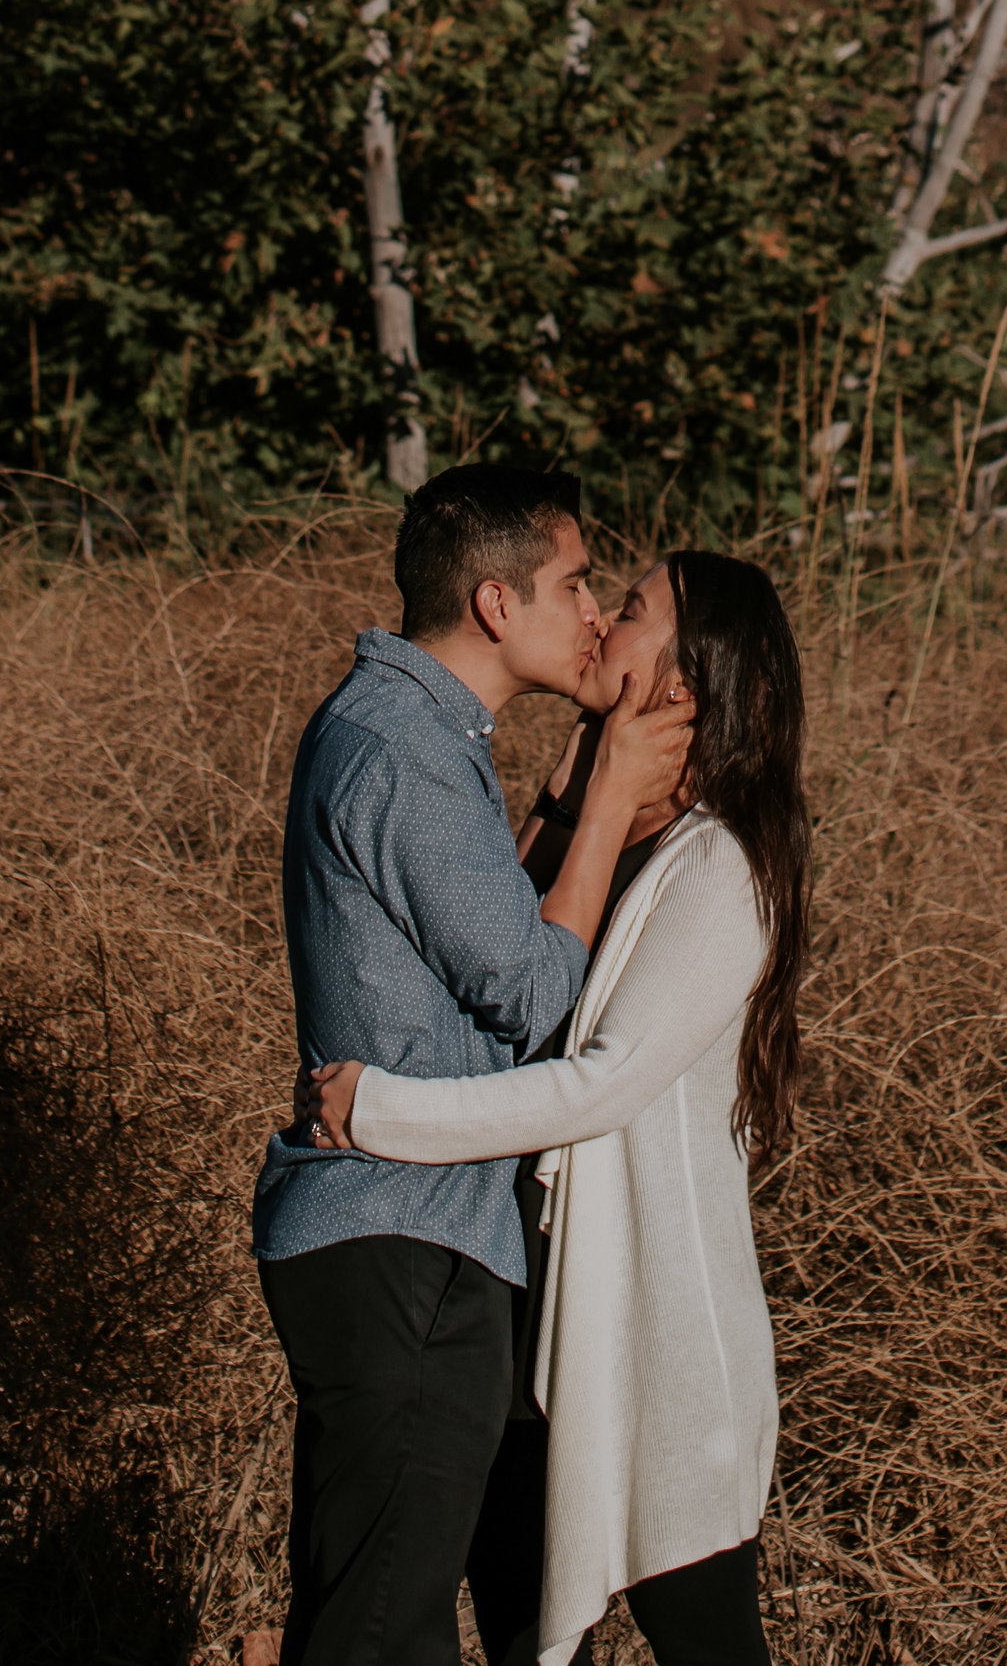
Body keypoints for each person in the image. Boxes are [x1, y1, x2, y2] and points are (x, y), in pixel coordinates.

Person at [304, 552, 811, 1666]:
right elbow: (511, 989)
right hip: (538, 1330)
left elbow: (598, 1085)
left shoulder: (719, 867)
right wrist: (589, 786)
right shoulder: (610, 833)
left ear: (687, 679)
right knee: (528, 1637)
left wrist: (378, 1111)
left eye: (628, 610)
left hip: (660, 1345)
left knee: (709, 1649)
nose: (597, 621)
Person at [253, 462, 695, 1666]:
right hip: (402, 1231)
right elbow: (532, 994)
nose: (595, 612)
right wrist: (604, 806)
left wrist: (569, 784)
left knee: (378, 1618)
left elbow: (478, 936)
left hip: (419, 1236)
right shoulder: (399, 748)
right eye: (573, 585)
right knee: (382, 1633)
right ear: (495, 605)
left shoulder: (416, 736)